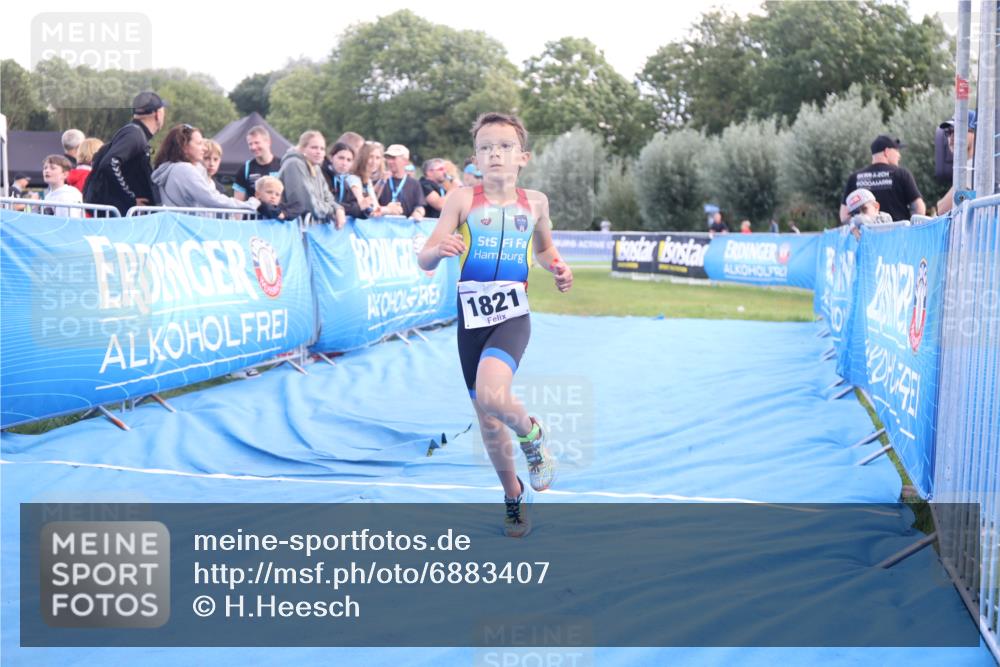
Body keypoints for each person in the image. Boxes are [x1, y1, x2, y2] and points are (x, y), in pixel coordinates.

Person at [417, 112, 572, 538]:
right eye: (486, 147)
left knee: (492, 394)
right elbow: (425, 257)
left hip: (511, 315)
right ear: (475, 158)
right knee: (486, 419)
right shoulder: (461, 199)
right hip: (472, 319)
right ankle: (513, 495)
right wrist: (439, 250)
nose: (495, 153)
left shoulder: (535, 202)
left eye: (504, 146)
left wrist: (557, 267)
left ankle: (532, 433)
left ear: (523, 156)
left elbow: (544, 250)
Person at [84, 91, 167, 215]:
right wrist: (131, 198)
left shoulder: (134, 133)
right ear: (158, 114)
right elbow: (109, 163)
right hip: (122, 217)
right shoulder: (134, 135)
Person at [151, 124, 257, 211]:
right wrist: (248, 204)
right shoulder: (184, 169)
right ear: (184, 146)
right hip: (186, 231)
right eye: (199, 143)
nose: (204, 148)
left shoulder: (170, 168)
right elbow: (212, 199)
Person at [840, 135, 925, 223]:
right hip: (898, 234)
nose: (899, 155)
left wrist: (861, 224)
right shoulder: (901, 174)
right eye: (896, 151)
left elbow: (844, 216)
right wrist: (911, 228)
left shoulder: (855, 178)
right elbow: (919, 207)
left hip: (867, 235)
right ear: (887, 152)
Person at [278, 130, 346, 228]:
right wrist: (333, 210)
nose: (319, 152)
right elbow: (308, 205)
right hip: (292, 228)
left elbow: (328, 197)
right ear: (302, 148)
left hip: (310, 228)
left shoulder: (316, 167)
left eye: (322, 149)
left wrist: (338, 208)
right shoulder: (294, 164)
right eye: (314, 147)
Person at [937, 111, 977, 215]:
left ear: (975, 133)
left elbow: (941, 209)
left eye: (959, 130)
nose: (952, 136)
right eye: (948, 132)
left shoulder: (973, 167)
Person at [233, 125, 282, 202]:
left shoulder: (282, 165)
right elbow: (237, 203)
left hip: (277, 214)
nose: (253, 147)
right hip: (252, 214)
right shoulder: (245, 168)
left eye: (256, 143)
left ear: (268, 142)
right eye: (250, 144)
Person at [379, 145, 426, 219]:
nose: (390, 161)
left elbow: (420, 206)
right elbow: (371, 206)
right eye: (388, 158)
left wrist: (418, 213)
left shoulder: (414, 184)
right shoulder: (380, 180)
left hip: (404, 228)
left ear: (405, 161)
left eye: (393, 158)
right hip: (381, 227)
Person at [348, 142, 385, 219]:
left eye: (378, 158)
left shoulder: (368, 181)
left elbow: (375, 206)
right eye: (370, 157)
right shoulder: (353, 178)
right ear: (363, 158)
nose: (374, 162)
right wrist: (389, 210)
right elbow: (365, 207)